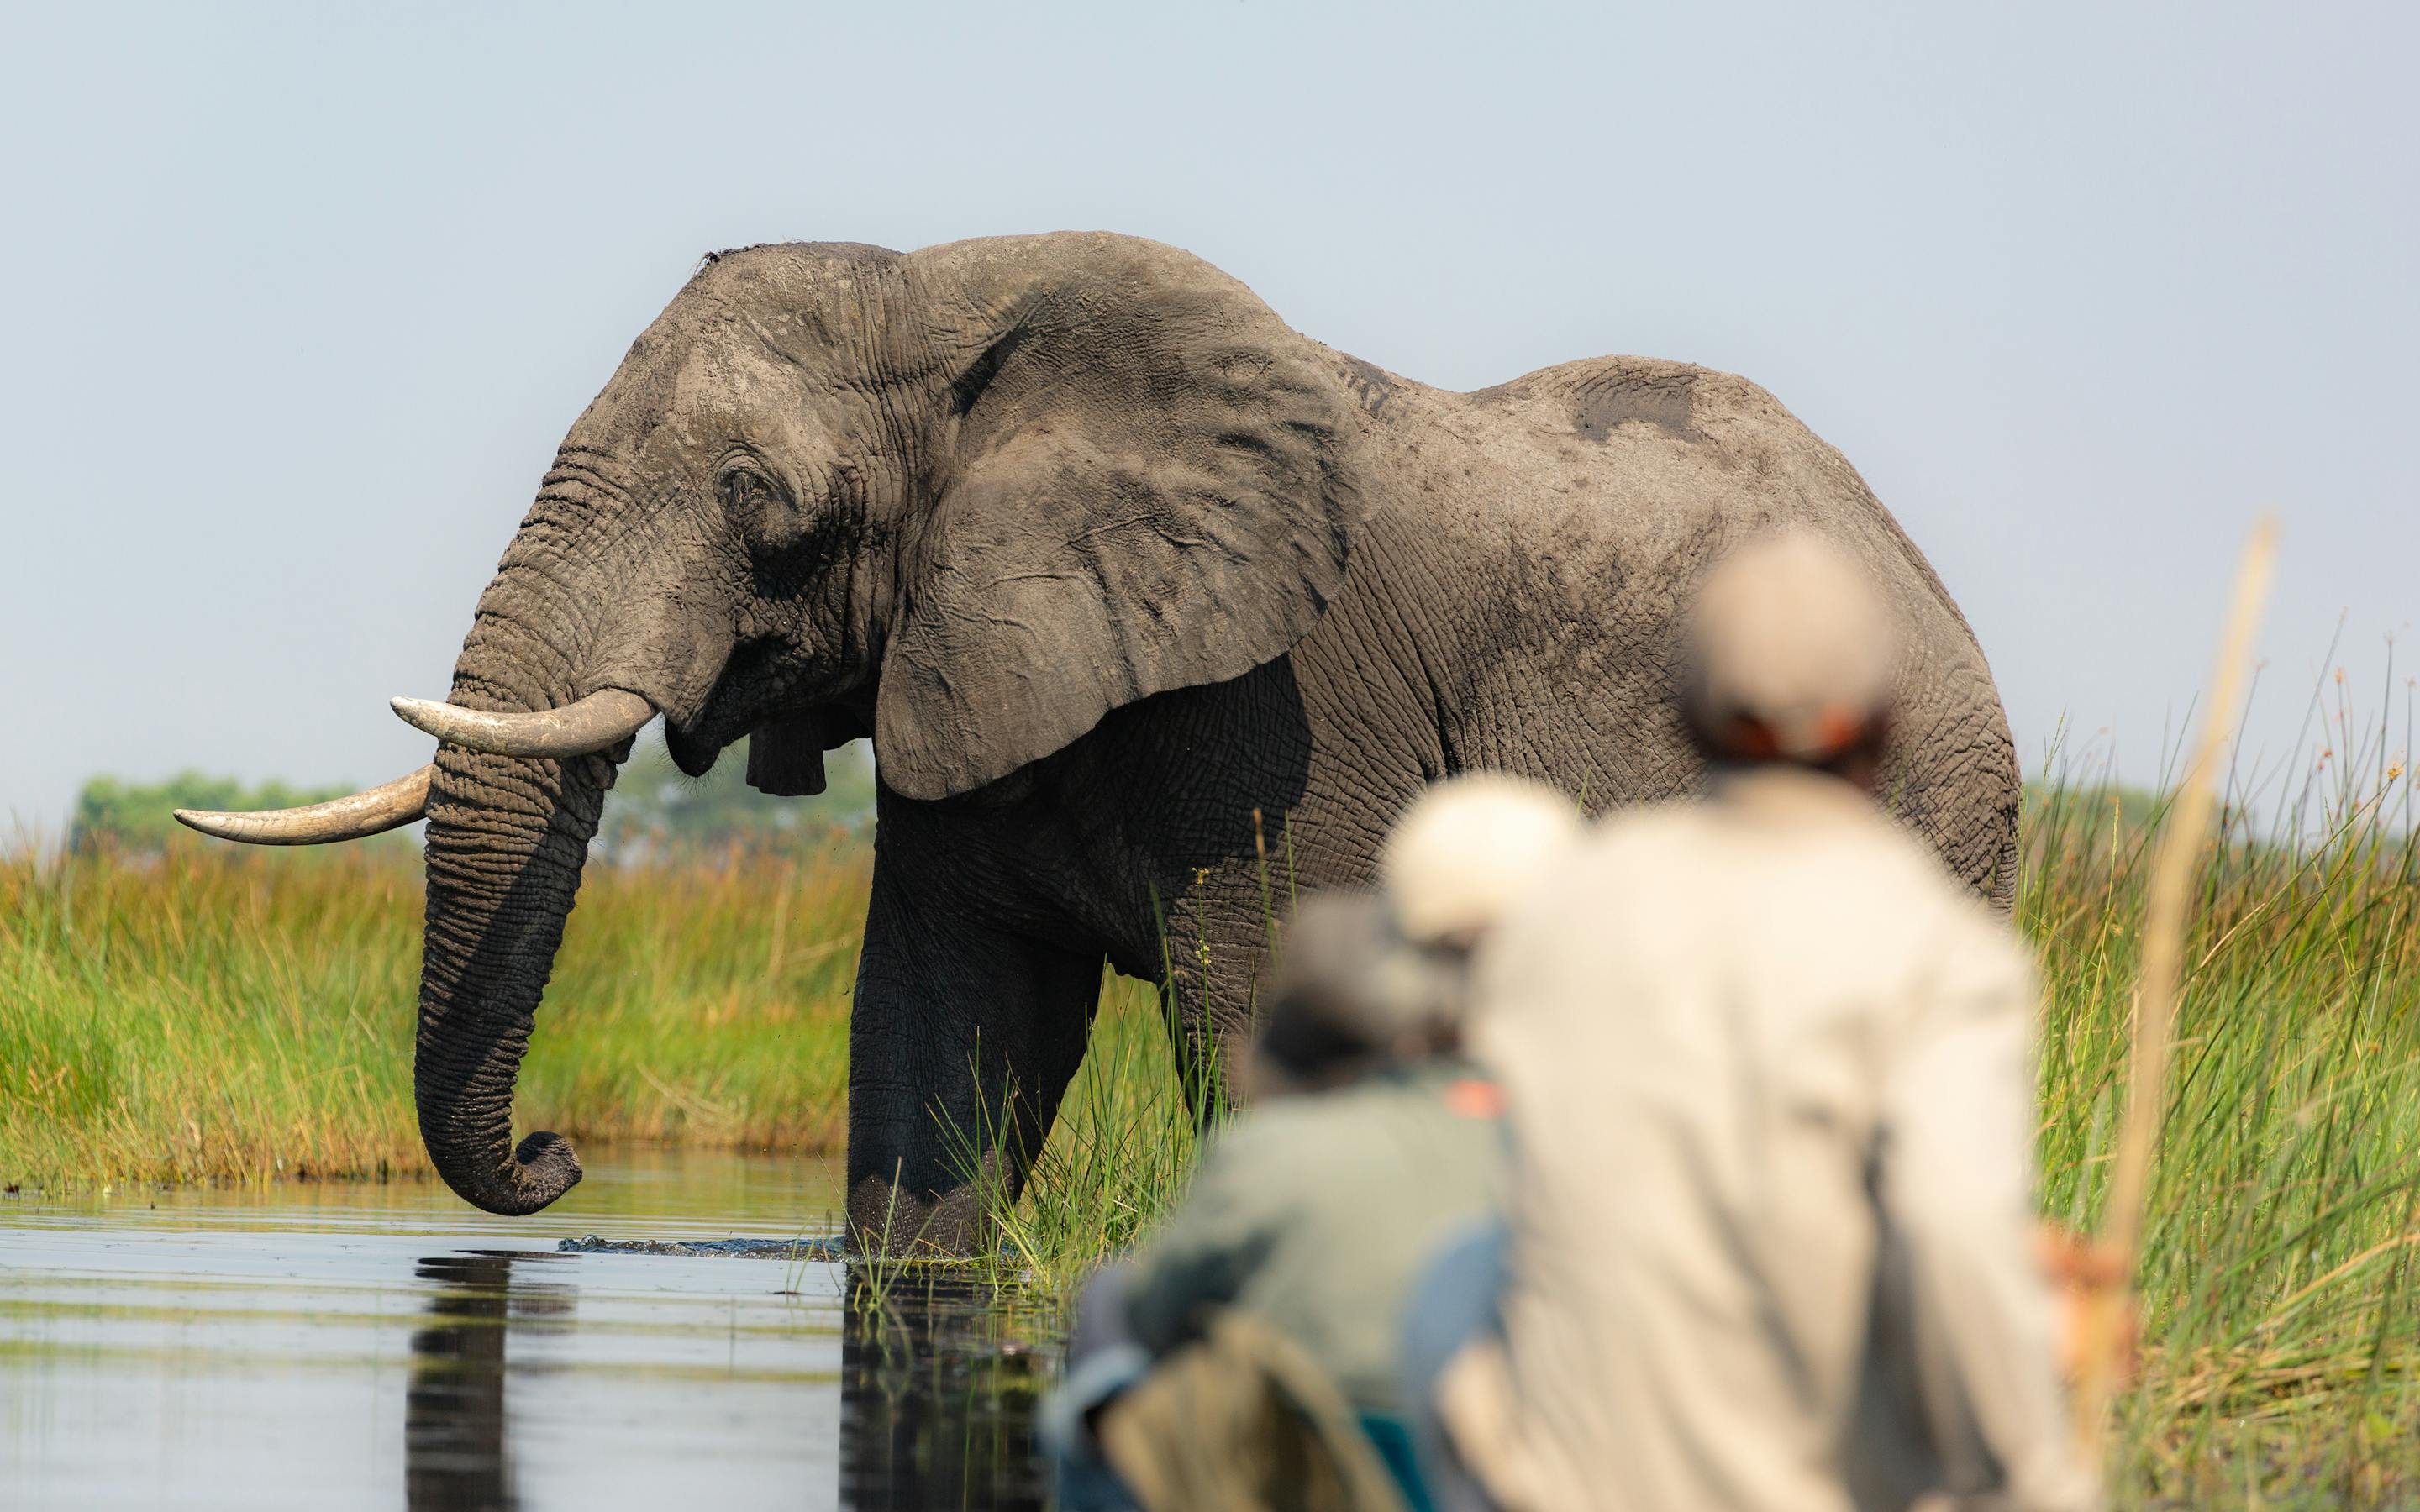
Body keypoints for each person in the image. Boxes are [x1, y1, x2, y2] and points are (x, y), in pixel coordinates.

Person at [1432, 531, 2108, 1512]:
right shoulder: (1938, 951)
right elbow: (1953, 1228)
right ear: (1884, 723)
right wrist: (2038, 1483)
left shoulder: (1561, 907)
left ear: (1682, 710)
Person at [1044, 776, 1581, 1511]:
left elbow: (1150, 1314)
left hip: (1332, 1477)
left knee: (1107, 1308)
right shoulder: (1640, 1164)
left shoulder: (1277, 1153)